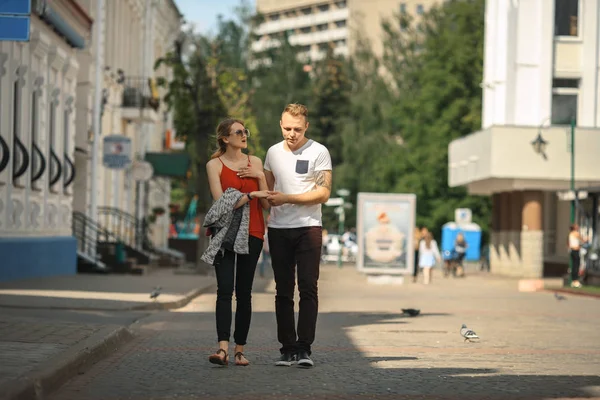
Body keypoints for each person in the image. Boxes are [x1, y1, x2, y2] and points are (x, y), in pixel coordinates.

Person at [263, 103, 332, 368]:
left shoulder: (319, 151)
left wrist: (288, 198)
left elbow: (324, 193)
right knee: (282, 290)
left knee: (308, 287)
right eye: (288, 128)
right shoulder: (272, 153)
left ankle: (304, 349)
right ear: (280, 124)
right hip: (279, 229)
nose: (292, 134)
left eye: (298, 129)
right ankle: (286, 348)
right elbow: (268, 193)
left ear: (307, 127)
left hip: (309, 228)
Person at [204, 118, 270, 366]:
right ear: (225, 138)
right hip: (225, 235)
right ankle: (222, 349)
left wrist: (260, 177)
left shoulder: (256, 162)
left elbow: (266, 204)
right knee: (224, 291)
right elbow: (221, 205)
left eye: (246, 131)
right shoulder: (215, 165)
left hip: (253, 232)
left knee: (244, 294)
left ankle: (239, 350)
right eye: (239, 132)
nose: (244, 135)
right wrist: (250, 194)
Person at [568, 224, 586, 288]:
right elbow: (582, 240)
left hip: (573, 251)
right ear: (574, 228)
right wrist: (586, 239)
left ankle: (574, 281)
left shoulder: (570, 234)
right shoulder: (575, 233)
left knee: (574, 266)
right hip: (575, 251)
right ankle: (575, 281)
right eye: (576, 226)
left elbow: (569, 243)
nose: (578, 227)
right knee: (576, 266)